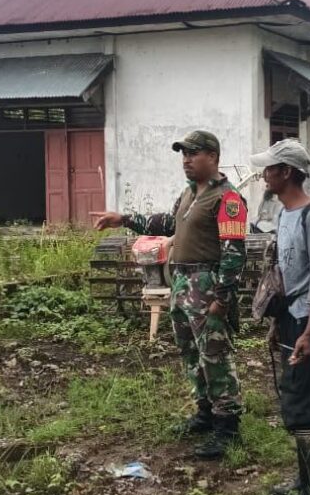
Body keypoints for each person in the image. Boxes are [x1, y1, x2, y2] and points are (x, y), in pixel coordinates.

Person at [91, 130, 247, 460]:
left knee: (215, 355)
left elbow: (233, 253)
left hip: (206, 285)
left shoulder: (228, 199)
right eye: (183, 154)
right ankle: (205, 413)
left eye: (193, 153)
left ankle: (227, 427)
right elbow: (166, 222)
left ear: (213, 157)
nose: (186, 160)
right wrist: (124, 219)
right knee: (192, 354)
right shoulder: (190, 193)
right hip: (182, 284)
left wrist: (223, 298)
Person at [250, 139, 310, 495]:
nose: (264, 174)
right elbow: (284, 276)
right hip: (290, 318)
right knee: (295, 401)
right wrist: (275, 323)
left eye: (270, 168)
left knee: (307, 403)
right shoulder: (284, 214)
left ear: (286, 172)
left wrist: (308, 333)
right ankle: (305, 482)